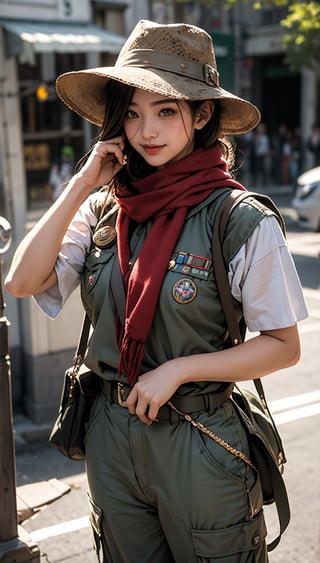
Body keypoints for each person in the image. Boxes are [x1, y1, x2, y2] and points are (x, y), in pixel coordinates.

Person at [5, 20, 308, 563]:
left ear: (201, 114)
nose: (147, 130)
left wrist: (179, 369)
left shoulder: (236, 217)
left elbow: (284, 346)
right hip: (111, 437)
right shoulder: (105, 210)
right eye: (133, 112)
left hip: (200, 436)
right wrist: (81, 184)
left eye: (166, 110)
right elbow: (22, 280)